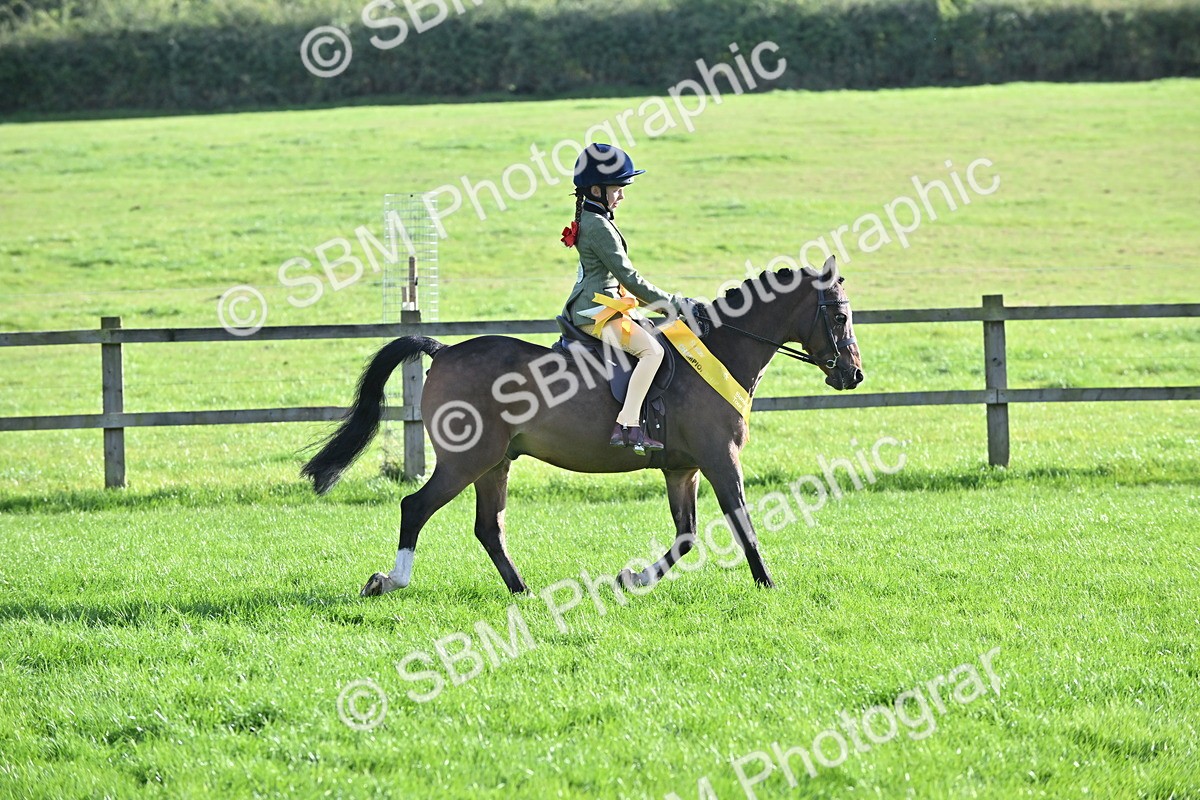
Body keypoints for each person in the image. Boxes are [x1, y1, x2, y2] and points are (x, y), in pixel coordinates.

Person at [560, 143, 684, 453]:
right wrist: (672, 302)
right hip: (597, 313)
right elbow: (630, 278)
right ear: (597, 189)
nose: (622, 195)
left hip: (605, 306)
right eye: (618, 188)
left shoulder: (594, 219)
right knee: (652, 351)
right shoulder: (598, 226)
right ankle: (626, 425)